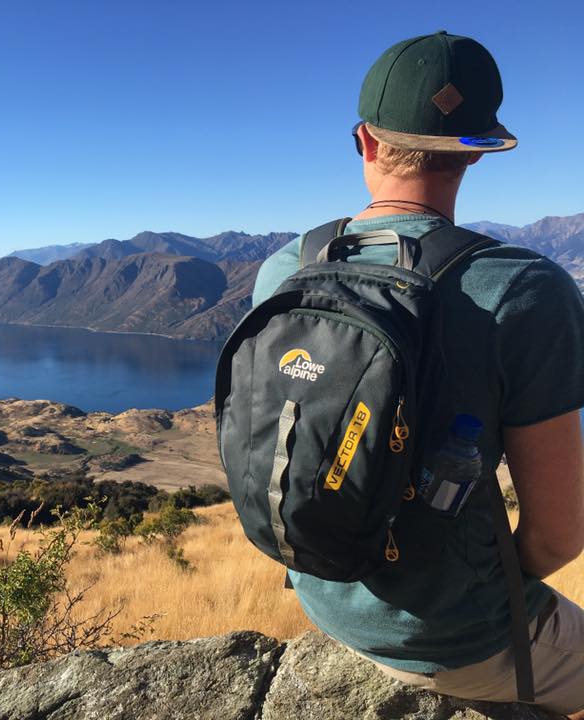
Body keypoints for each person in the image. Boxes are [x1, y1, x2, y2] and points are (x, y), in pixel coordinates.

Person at [250, 31, 584, 718]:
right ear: (479, 149)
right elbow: (560, 533)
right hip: (457, 639)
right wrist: (460, 600)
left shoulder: (286, 268)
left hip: (320, 594)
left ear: (364, 142)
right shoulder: (523, 289)